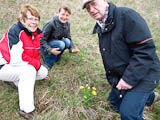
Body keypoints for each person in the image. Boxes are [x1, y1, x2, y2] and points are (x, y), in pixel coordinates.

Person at [82, 0, 160, 119]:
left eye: (94, 4)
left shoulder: (126, 16)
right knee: (114, 103)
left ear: (104, 1)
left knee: (128, 114)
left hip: (145, 73)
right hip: (123, 74)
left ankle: (140, 96)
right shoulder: (101, 25)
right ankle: (151, 97)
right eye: (87, 7)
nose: (91, 9)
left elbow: (145, 51)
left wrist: (128, 80)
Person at [0, 5, 48, 119]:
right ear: (22, 19)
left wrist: (38, 66)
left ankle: (14, 81)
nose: (34, 22)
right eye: (30, 19)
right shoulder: (16, 31)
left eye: (36, 19)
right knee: (29, 70)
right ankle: (26, 110)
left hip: (16, 66)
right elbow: (15, 60)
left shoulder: (35, 34)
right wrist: (35, 66)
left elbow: (35, 54)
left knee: (43, 72)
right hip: (4, 65)